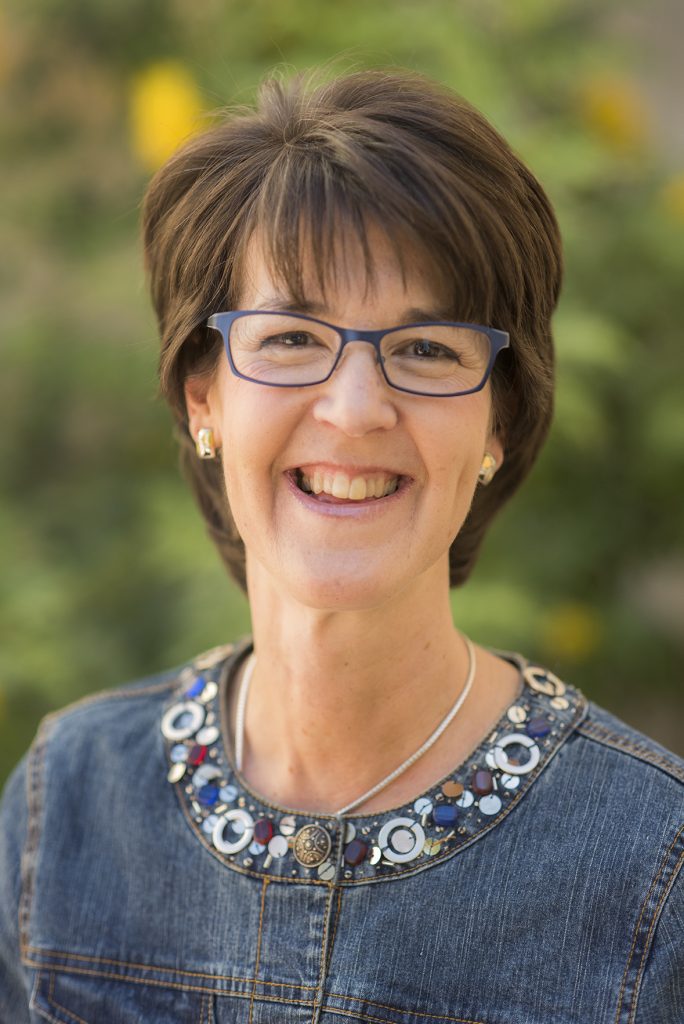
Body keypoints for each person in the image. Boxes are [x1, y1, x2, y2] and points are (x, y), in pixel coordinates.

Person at [0, 67, 682, 1024]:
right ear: (205, 398)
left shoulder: (654, 867)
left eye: (427, 349)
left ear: (498, 423)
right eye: (288, 339)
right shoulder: (66, 803)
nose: (355, 410)